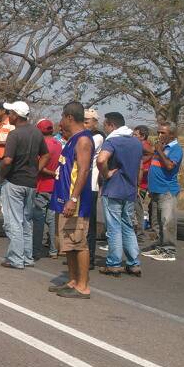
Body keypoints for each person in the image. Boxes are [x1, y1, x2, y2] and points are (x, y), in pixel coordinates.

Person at [49, 102, 95, 298]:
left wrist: (73, 198)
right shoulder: (71, 139)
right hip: (63, 201)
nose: (60, 121)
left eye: (62, 116)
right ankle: (73, 280)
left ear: (69, 117)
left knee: (78, 243)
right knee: (68, 244)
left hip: (75, 204)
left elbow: (83, 170)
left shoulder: (83, 140)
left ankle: (83, 286)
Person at [0, 101, 48, 269]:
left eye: (10, 112)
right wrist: (36, 170)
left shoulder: (15, 134)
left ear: (16, 115)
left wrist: (1, 174)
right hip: (31, 183)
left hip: (15, 181)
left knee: (14, 222)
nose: (8, 115)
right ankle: (27, 257)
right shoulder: (37, 132)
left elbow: (7, 160)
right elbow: (45, 155)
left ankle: (16, 259)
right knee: (26, 221)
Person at [96, 112, 143, 277]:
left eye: (105, 124)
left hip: (114, 188)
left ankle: (114, 263)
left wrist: (106, 173)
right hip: (130, 189)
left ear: (111, 125)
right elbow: (139, 167)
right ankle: (133, 263)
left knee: (114, 227)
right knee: (128, 226)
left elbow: (101, 160)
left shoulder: (112, 141)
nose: (104, 127)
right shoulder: (136, 142)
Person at [143, 122, 184, 262]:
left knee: (167, 221)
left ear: (172, 135)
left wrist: (159, 150)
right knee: (157, 222)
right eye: (158, 132)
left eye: (163, 133)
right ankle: (160, 246)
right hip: (155, 190)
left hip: (167, 191)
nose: (159, 135)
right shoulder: (161, 148)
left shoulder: (175, 149)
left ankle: (169, 250)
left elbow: (169, 166)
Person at [33, 118, 62, 260]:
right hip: (54, 186)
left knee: (38, 219)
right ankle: (53, 250)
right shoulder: (59, 144)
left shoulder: (42, 145)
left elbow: (39, 167)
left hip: (42, 185)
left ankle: (35, 250)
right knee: (51, 219)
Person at [84, 108, 104, 266]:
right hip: (83, 182)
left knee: (90, 223)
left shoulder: (97, 137)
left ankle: (89, 257)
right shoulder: (87, 136)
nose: (84, 124)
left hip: (91, 183)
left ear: (95, 122)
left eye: (87, 122)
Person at [133, 125, 154, 234]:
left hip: (141, 183)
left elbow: (151, 152)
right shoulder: (144, 145)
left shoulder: (143, 145)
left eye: (135, 135)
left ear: (143, 136)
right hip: (144, 182)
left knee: (137, 207)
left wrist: (140, 163)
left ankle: (139, 231)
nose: (133, 136)